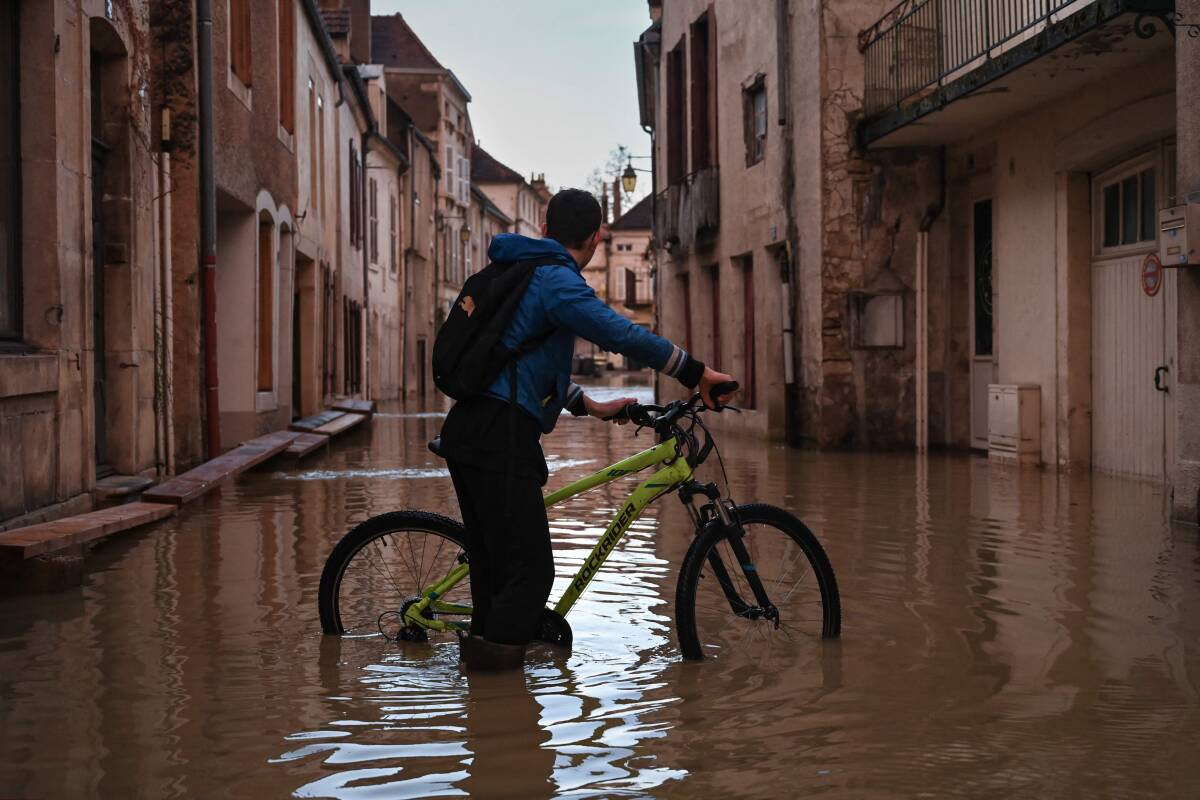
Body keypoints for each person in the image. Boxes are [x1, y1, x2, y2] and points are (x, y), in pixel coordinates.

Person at [439, 188, 736, 670]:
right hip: (499, 436)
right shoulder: (554, 280)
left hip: (477, 429)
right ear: (597, 236)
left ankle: (487, 708)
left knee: (498, 573)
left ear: (545, 226)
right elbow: (618, 333)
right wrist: (695, 372)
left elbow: (525, 364)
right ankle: (495, 698)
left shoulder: (524, 270)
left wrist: (590, 406)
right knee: (531, 576)